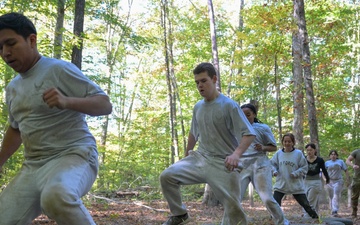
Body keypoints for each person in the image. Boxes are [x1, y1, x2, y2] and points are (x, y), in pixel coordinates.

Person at [0, 12, 112, 225]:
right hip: (33, 166)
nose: (5, 53)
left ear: (31, 40)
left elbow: (104, 104)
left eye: (11, 43)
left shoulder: (58, 70)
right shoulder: (13, 88)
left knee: (56, 196)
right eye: (0, 48)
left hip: (75, 155)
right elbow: (16, 129)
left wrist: (67, 101)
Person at [159, 62, 256, 225]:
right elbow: (193, 132)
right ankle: (179, 214)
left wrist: (235, 155)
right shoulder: (198, 107)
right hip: (200, 158)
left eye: (204, 81)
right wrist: (186, 154)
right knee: (167, 176)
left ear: (214, 79)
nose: (200, 85)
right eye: (197, 82)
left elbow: (249, 134)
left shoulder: (229, 105)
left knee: (234, 213)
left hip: (223, 164)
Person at [239, 103, 289, 225]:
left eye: (248, 115)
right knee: (234, 198)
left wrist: (263, 147)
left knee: (267, 198)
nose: (246, 117)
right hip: (242, 165)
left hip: (260, 164)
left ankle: (282, 222)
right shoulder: (236, 128)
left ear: (254, 114)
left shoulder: (262, 128)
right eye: (242, 115)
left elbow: (273, 147)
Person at [271, 133, 318, 219]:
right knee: (275, 204)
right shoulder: (278, 153)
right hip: (281, 183)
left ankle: (316, 218)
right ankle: (274, 220)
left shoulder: (298, 153)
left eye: (289, 141)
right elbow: (272, 164)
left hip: (295, 184)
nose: (287, 143)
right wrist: (274, 171)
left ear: (293, 142)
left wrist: (296, 173)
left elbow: (304, 167)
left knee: (306, 204)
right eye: (285, 141)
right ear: (282, 142)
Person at [303, 143, 330, 217]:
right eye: (307, 150)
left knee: (310, 200)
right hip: (305, 181)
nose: (309, 152)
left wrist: (327, 179)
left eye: (311, 150)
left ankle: (307, 216)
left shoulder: (319, 160)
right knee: (306, 199)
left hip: (315, 182)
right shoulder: (304, 159)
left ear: (314, 150)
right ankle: (315, 216)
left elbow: (324, 170)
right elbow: (300, 170)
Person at [325, 150, 349, 217]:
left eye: (335, 154)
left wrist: (347, 179)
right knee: (331, 196)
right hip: (329, 181)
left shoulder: (340, 162)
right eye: (332, 154)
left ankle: (335, 210)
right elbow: (322, 171)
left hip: (338, 181)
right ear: (329, 156)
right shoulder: (327, 163)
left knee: (336, 195)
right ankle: (332, 209)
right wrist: (324, 179)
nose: (333, 156)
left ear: (337, 156)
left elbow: (346, 170)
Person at [345, 149, 360, 218]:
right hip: (357, 177)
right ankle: (354, 212)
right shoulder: (357, 152)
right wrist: (353, 165)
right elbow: (347, 160)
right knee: (355, 196)